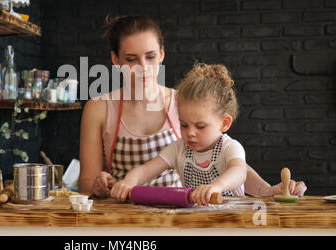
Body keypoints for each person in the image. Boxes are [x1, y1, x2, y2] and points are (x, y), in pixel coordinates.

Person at [79, 15, 307, 198]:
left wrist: (269, 190)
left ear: (161, 55)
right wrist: (101, 186)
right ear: (115, 59)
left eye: (150, 56)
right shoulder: (99, 108)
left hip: (181, 213)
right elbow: (86, 184)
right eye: (131, 59)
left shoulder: (186, 102)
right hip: (127, 217)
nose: (143, 68)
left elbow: (229, 163)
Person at [111, 63, 247, 206]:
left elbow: (238, 172)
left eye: (200, 126)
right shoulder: (179, 148)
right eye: (184, 125)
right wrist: (127, 182)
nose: (190, 133)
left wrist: (217, 186)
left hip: (231, 221)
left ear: (224, 123)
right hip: (193, 221)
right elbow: (144, 171)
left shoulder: (230, 147)